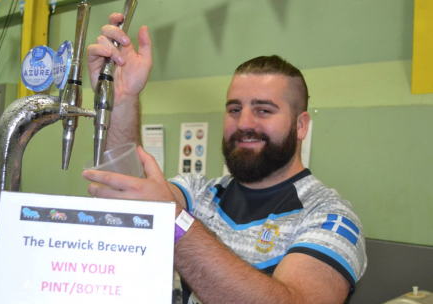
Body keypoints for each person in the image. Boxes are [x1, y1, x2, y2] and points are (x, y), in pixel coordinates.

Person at [83, 13, 367, 304]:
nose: (243, 123)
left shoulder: (331, 217)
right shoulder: (198, 193)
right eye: (234, 109)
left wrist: (175, 224)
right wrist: (122, 100)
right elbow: (129, 198)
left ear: (301, 125)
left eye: (264, 110)